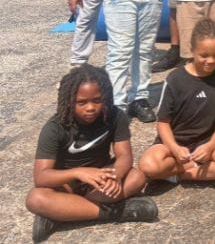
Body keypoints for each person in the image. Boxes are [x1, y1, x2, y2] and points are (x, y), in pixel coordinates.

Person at [26, 65, 156, 243]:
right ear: (69, 100)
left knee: (137, 177)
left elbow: (124, 156)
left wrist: (116, 176)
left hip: (101, 180)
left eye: (97, 100)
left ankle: (63, 213)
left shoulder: (115, 116)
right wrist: (79, 172)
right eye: (82, 102)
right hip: (67, 185)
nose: (90, 108)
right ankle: (114, 212)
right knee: (36, 199)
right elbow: (41, 177)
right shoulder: (55, 128)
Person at [138, 19, 215, 183]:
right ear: (192, 50)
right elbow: (163, 123)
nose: (211, 61)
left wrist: (211, 146)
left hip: (208, 142)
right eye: (204, 55)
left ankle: (179, 175)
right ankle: (196, 169)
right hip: (175, 142)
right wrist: (175, 148)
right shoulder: (175, 79)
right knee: (148, 165)